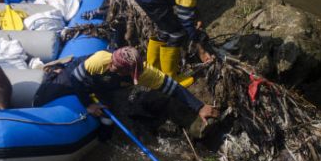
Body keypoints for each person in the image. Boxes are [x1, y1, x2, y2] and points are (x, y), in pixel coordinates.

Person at [32, 47, 219, 123]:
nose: (132, 77)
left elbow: (173, 88)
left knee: (106, 120)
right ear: (114, 66)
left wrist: (199, 106)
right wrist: (88, 104)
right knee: (45, 96)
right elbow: (76, 80)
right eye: (127, 73)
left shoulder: (144, 72)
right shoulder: (99, 61)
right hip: (80, 75)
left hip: (105, 85)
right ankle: (53, 72)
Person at [133, 0, 230, 85]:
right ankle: (171, 78)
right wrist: (201, 50)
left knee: (164, 28)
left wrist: (197, 15)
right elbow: (186, 21)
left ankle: (153, 67)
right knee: (177, 32)